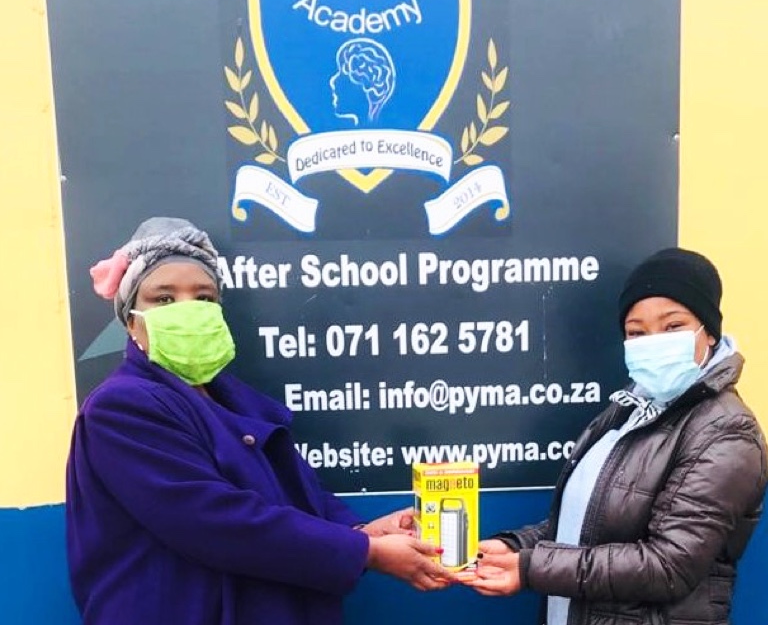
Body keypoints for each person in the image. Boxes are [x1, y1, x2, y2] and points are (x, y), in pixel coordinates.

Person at [66, 217, 453, 625]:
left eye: (204, 298)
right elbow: (212, 521)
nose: (188, 310)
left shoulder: (237, 401)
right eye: (164, 299)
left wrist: (360, 531)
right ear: (131, 321)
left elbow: (297, 495)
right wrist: (366, 553)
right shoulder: (121, 407)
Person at [466, 248, 768, 625]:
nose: (654, 341)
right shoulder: (627, 410)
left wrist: (529, 568)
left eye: (673, 326)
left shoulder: (726, 430)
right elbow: (585, 524)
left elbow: (668, 565)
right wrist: (512, 547)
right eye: (636, 332)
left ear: (708, 331)